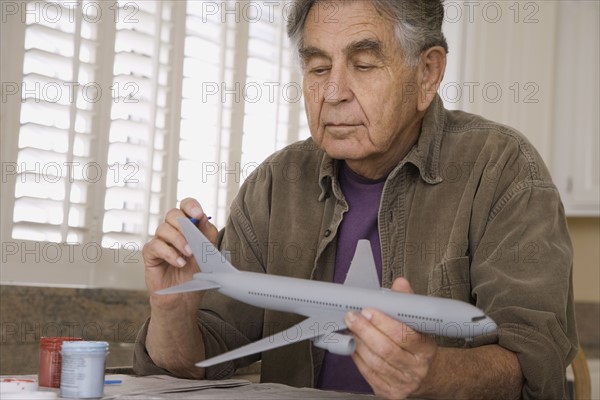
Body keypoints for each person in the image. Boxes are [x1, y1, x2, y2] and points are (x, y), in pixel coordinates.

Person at [133, 0, 578, 398]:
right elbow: (191, 364)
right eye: (318, 67)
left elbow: (536, 367)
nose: (333, 92)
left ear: (427, 74)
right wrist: (173, 309)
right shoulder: (275, 183)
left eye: (363, 64)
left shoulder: (502, 170)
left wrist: (438, 375)